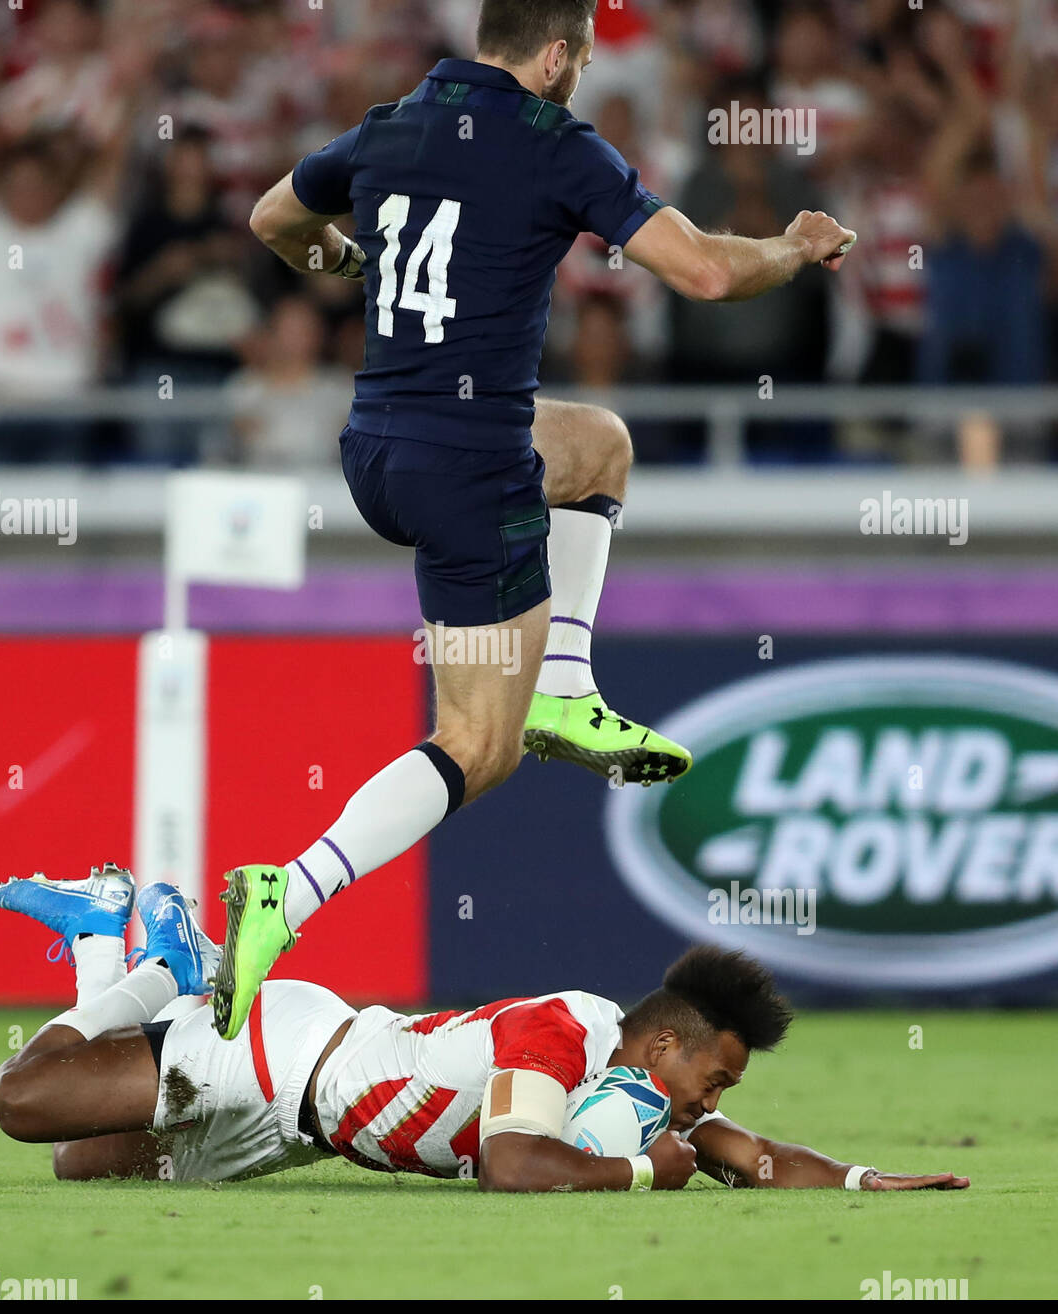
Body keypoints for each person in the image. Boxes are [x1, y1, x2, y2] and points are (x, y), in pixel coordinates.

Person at [214, 0, 857, 1042]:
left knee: (597, 443)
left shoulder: (390, 124)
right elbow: (699, 270)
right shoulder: (556, 143)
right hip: (472, 471)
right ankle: (287, 893)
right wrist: (789, 248)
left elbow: (271, 221)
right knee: (475, 744)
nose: (584, 74)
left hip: (378, 445)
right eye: (583, 59)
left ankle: (564, 686)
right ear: (555, 55)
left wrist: (344, 264)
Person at [0, 867, 969, 1196]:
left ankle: (137, 958)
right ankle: (138, 949)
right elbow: (510, 1165)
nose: (713, 1104)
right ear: (662, 1045)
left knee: (82, 1162)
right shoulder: (566, 1029)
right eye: (713, 1078)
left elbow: (748, 1159)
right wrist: (638, 1174)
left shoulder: (634, 1097)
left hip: (301, 1126)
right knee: (21, 1100)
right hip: (279, 1051)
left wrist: (855, 1178)